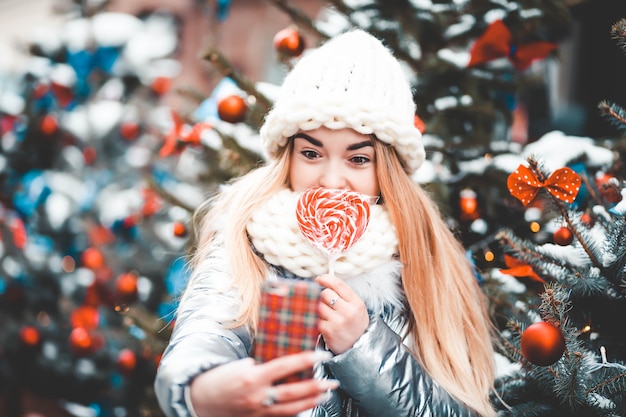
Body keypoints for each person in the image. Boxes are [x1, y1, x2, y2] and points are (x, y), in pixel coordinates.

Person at [154, 29, 497, 417]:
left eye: (358, 159)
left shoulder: (428, 261)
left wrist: (365, 347)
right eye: (312, 153)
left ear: (389, 169)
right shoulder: (245, 244)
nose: (332, 181)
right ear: (288, 156)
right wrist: (203, 388)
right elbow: (201, 337)